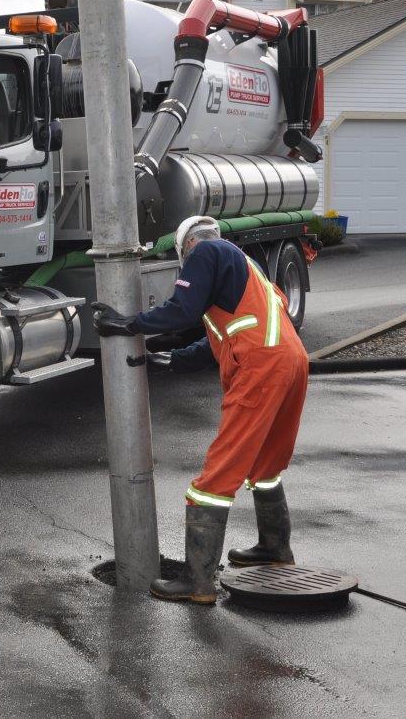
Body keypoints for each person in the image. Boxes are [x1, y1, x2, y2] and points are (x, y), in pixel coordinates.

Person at [91, 215, 309, 604]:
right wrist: (173, 358)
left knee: (216, 477)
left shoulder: (204, 252)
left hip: (262, 368)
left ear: (184, 247)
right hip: (291, 362)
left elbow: (181, 310)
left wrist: (130, 325)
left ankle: (198, 580)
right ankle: (275, 548)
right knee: (265, 466)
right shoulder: (247, 269)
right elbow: (221, 338)